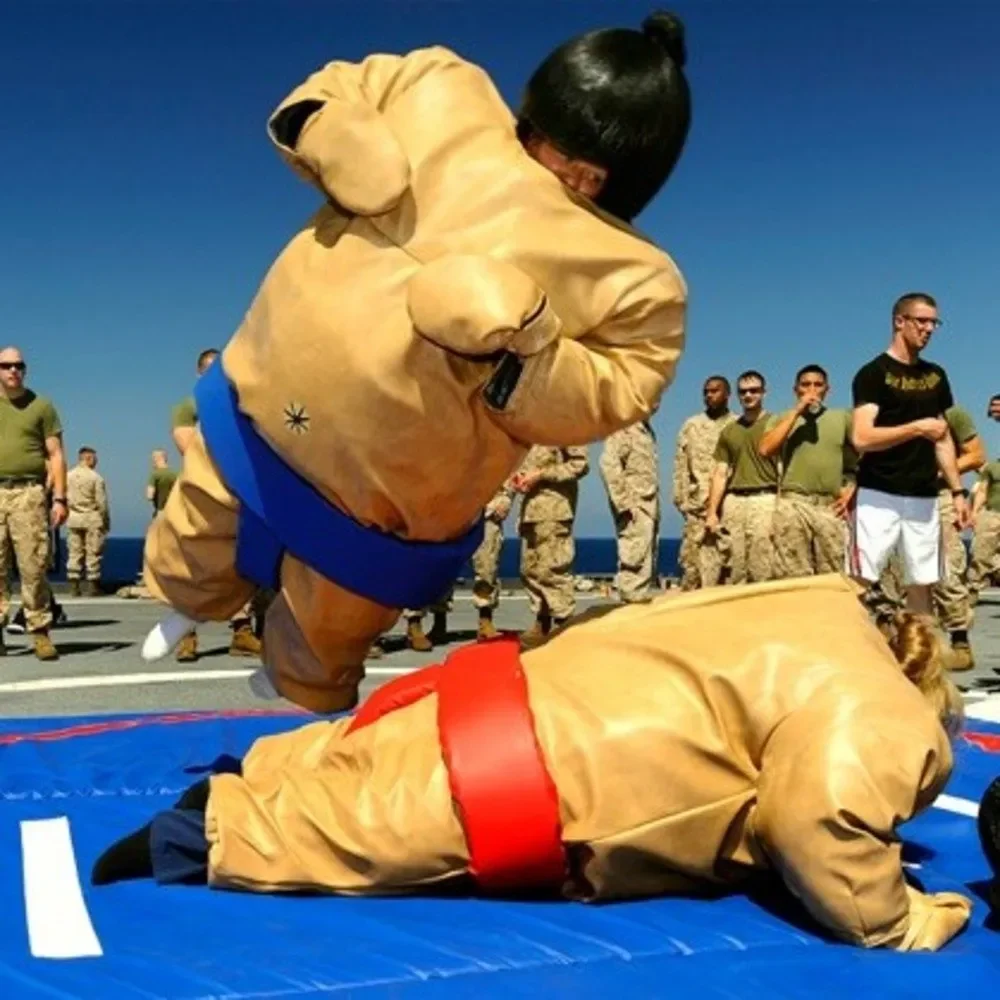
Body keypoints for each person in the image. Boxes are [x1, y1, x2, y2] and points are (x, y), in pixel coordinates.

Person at [141, 13, 692, 713]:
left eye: (581, 174)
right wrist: (337, 132)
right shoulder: (443, 89)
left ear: (614, 180)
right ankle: (184, 600)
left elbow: (622, 389)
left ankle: (303, 692)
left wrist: (528, 344)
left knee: (331, 618)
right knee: (205, 513)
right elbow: (335, 86)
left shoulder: (637, 277)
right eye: (543, 147)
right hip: (260, 405)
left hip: (384, 503)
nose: (552, 173)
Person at [92, 574, 970, 953]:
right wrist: (901, 920)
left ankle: (256, 771)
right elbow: (819, 819)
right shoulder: (887, 712)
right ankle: (201, 832)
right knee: (359, 829)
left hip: (509, 686)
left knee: (362, 751)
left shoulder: (814, 605)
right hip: (547, 777)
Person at [849, 293, 969, 616]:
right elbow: (861, 437)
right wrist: (915, 428)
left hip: (923, 495)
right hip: (878, 494)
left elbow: (942, 437)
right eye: (922, 321)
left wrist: (958, 492)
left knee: (923, 582)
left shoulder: (936, 376)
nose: (928, 329)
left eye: (934, 323)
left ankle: (922, 662)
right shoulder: (873, 374)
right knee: (860, 580)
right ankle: (855, 656)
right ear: (899, 322)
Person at [167, 350, 262, 663]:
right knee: (193, 565)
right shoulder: (187, 408)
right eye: (208, 371)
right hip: (201, 492)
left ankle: (242, 630)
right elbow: (188, 446)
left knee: (241, 562)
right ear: (198, 375)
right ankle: (187, 636)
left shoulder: (242, 407)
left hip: (237, 493)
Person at [759, 365, 857, 579]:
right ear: (796, 390)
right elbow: (766, 448)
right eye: (806, 385)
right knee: (793, 576)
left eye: (818, 385)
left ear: (827, 390)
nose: (812, 390)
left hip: (829, 507)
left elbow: (866, 454)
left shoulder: (841, 418)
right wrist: (797, 412)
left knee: (834, 576)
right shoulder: (782, 418)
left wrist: (852, 489)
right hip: (794, 504)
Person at [0, 346, 65, 660]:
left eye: (18, 365)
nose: (13, 370)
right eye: (6, 365)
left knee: (33, 565)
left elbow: (56, 454)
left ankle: (39, 631)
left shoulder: (41, 406)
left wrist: (60, 498)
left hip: (29, 493)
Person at [705, 370, 778, 584]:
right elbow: (720, 472)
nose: (748, 396)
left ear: (764, 392)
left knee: (762, 563)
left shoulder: (775, 424)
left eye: (754, 390)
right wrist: (712, 512)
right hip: (734, 500)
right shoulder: (729, 431)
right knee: (734, 565)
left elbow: (784, 469)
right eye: (743, 392)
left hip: (765, 498)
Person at [514, 445, 589, 645]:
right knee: (531, 570)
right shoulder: (533, 427)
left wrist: (541, 475)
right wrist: (521, 478)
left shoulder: (565, 423)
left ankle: (565, 625)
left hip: (555, 510)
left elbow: (579, 465)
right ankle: (542, 621)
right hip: (531, 510)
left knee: (553, 570)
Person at [671, 376, 734, 589]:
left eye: (715, 391)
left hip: (728, 507)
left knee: (729, 565)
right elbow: (680, 465)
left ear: (727, 394)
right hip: (697, 507)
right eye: (706, 392)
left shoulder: (736, 425)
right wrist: (681, 501)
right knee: (692, 567)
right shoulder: (691, 425)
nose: (709, 395)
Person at [599, 419, 661, 602]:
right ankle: (629, 612)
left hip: (648, 508)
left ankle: (636, 611)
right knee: (633, 566)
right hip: (635, 509)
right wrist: (624, 504)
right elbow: (608, 464)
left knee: (645, 565)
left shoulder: (646, 430)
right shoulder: (624, 429)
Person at [65, 446, 110, 597]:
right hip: (92, 518)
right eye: (95, 458)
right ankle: (93, 586)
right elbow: (101, 502)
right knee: (93, 552)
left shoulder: (68, 476)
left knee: (74, 552)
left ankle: (74, 586)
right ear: (89, 458)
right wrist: (105, 521)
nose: (96, 461)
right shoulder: (96, 478)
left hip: (73, 518)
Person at [146, 449, 178, 516]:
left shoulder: (155, 475)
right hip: (175, 514)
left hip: (161, 514)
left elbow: (149, 496)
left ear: (157, 459)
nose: (152, 461)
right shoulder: (177, 474)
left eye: (153, 458)